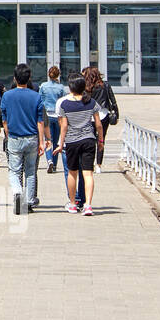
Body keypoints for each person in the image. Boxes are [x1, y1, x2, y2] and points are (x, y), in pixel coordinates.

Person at [0, 63, 48, 215]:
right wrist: (42, 142)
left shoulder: (7, 95)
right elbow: (40, 121)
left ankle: (17, 193)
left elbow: (4, 120)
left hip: (14, 137)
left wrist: (8, 135)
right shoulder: (36, 96)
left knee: (14, 171)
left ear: (14, 78)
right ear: (29, 79)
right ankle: (27, 202)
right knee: (30, 171)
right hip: (32, 138)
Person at [59, 73, 104, 215]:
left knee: (72, 173)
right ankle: (88, 205)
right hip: (88, 140)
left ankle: (72, 204)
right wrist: (101, 141)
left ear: (71, 87)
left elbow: (64, 126)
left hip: (72, 142)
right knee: (88, 174)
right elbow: (98, 125)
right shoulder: (91, 102)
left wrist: (61, 144)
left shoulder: (65, 104)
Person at [83, 66, 118, 171]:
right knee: (101, 139)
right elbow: (113, 100)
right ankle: (99, 164)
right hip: (103, 114)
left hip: (90, 116)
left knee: (90, 140)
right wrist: (116, 113)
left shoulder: (86, 87)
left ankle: (90, 164)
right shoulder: (105, 85)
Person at [38, 65, 66, 175]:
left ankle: (49, 160)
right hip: (57, 115)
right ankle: (54, 164)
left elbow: (40, 100)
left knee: (48, 139)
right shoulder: (61, 88)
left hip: (47, 114)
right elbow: (64, 101)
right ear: (58, 75)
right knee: (56, 141)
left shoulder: (43, 86)